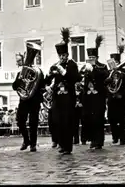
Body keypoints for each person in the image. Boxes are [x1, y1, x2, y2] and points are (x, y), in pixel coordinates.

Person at [46, 27, 80, 155]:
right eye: (60, 55)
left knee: (67, 122)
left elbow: (75, 78)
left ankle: (67, 146)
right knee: (57, 121)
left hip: (68, 97)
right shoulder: (56, 64)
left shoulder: (72, 65)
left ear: (67, 55)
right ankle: (61, 143)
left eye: (64, 55)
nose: (62, 57)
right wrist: (50, 75)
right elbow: (49, 80)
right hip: (57, 97)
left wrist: (63, 71)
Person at [12, 43, 46, 152]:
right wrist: (20, 79)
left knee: (33, 122)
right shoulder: (19, 73)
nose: (18, 63)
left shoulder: (37, 72)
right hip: (24, 100)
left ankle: (33, 144)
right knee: (20, 120)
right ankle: (26, 140)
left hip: (34, 100)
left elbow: (43, 86)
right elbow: (14, 87)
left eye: (20, 60)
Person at [82, 34, 110, 149]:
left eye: (93, 57)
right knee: (90, 119)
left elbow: (106, 77)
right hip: (89, 98)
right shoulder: (86, 68)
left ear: (97, 57)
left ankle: (99, 141)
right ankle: (92, 140)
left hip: (99, 97)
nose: (91, 59)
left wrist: (94, 69)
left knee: (98, 119)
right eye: (90, 57)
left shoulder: (102, 67)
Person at [107, 45, 125, 146]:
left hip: (121, 99)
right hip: (111, 99)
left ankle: (123, 139)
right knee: (111, 118)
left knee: (122, 120)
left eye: (117, 63)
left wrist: (124, 76)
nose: (115, 65)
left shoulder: (124, 72)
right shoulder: (109, 73)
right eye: (113, 63)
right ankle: (115, 136)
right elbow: (105, 85)